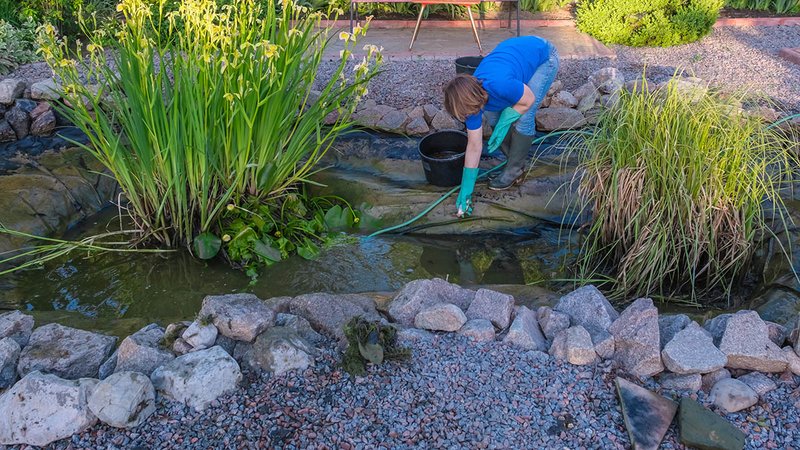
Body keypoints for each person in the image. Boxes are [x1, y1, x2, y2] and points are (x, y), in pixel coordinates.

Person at [443, 35, 559, 217]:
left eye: (465, 114)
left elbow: (528, 99)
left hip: (542, 56)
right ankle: (514, 162)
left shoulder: (501, 85)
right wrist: (466, 191)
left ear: (473, 101)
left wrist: (507, 117)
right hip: (511, 56)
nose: (466, 117)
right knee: (493, 118)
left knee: (524, 118)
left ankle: (514, 170)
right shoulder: (471, 103)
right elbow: (474, 146)